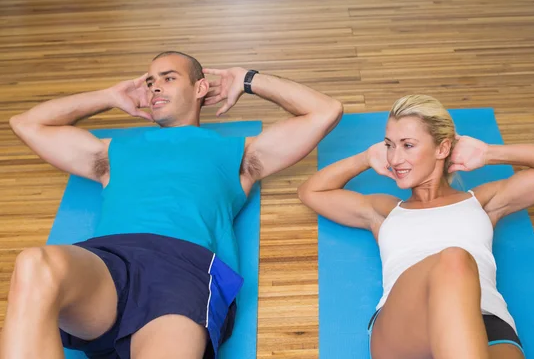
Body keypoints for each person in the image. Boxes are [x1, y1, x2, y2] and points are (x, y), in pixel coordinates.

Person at [2, 51, 343, 359]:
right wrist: (108, 96)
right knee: (34, 262)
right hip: (107, 264)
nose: (155, 88)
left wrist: (248, 80)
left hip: (183, 270)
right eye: (150, 81)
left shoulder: (239, 153)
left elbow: (326, 111)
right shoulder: (110, 154)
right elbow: (26, 124)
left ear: (200, 89)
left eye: (168, 77)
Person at [298, 95, 534, 359]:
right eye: (389, 145)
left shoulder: (482, 202)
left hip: (488, 321)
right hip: (405, 324)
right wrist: (364, 158)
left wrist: (489, 153)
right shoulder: (385, 211)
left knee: (456, 260)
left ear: (443, 147)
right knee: (455, 259)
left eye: (407, 145)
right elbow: (312, 192)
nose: (395, 158)